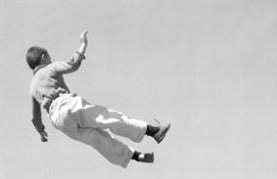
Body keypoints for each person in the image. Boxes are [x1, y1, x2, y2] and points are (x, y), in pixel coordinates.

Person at [27, 30, 170, 168]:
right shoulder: (49, 68)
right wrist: (83, 44)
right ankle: (152, 131)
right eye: (49, 57)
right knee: (107, 117)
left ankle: (135, 156)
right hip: (67, 105)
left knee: (96, 139)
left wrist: (41, 132)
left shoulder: (32, 87)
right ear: (43, 57)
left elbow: (35, 117)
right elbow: (73, 63)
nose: (51, 59)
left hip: (58, 121)